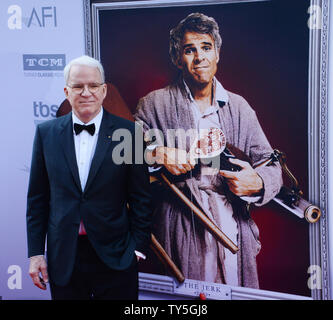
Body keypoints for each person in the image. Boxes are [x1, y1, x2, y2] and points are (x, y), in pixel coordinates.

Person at [134, 13, 282, 288]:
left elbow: (270, 164)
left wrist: (259, 182)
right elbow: (119, 155)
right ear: (178, 59)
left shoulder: (239, 107)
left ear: (217, 54)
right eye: (189, 50)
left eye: (206, 47)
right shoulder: (154, 104)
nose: (199, 56)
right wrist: (155, 153)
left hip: (232, 226)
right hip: (180, 225)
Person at [26, 55, 152, 300]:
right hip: (64, 256)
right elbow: (37, 199)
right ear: (66, 91)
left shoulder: (129, 133)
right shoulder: (46, 134)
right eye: (77, 86)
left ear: (104, 90)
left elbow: (141, 198)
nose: (86, 93)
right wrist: (36, 254)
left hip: (117, 255)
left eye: (93, 86)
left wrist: (137, 249)